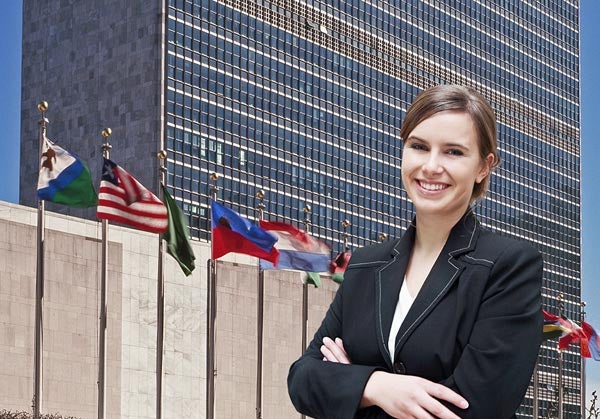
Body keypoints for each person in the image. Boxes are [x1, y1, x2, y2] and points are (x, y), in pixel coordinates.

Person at [287, 85, 543, 419]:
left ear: (484, 166)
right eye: (419, 147)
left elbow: (477, 409)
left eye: (453, 152)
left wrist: (347, 387)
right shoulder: (366, 265)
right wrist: (376, 386)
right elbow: (303, 378)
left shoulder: (508, 267)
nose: (431, 166)